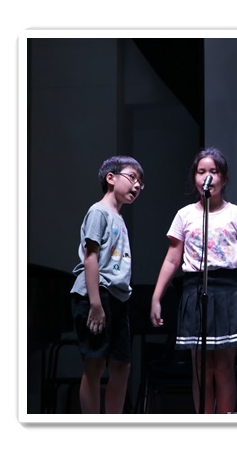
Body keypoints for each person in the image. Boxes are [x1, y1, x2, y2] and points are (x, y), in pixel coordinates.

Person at [150, 148, 237, 414]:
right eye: (201, 171)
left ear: (224, 178)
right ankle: (204, 423)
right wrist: (157, 297)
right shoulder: (185, 215)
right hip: (195, 289)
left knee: (224, 365)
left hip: (228, 290)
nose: (207, 177)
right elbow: (172, 259)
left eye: (213, 172)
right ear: (194, 178)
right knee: (200, 366)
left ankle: (225, 422)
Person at [70, 155, 145, 414]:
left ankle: (113, 423)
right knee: (95, 363)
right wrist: (95, 304)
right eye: (132, 177)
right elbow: (90, 257)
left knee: (122, 365)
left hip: (118, 296)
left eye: (140, 182)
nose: (137, 185)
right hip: (96, 294)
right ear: (111, 178)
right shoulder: (98, 211)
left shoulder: (118, 217)